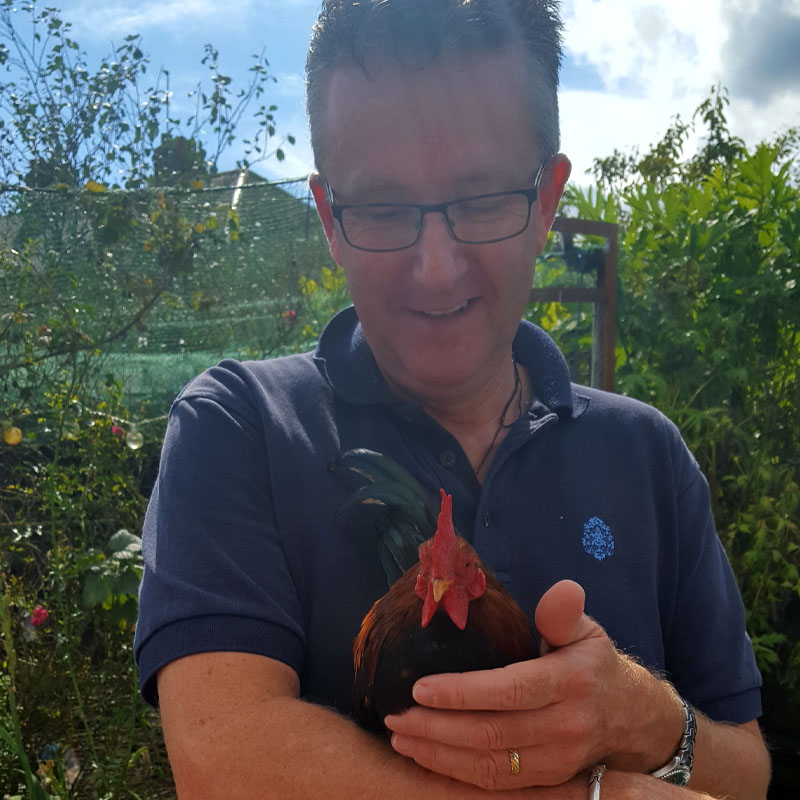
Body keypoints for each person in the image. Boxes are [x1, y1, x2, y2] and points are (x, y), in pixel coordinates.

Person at [134, 1, 771, 797]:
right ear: (330, 219)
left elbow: (747, 772)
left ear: (545, 203)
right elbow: (225, 758)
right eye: (384, 209)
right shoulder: (238, 427)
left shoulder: (648, 455)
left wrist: (643, 718)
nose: (436, 270)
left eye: (481, 201)